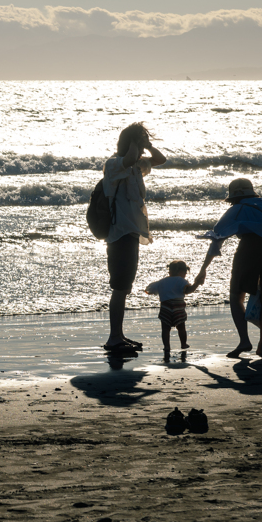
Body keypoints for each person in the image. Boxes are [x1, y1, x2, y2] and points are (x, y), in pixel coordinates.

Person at [200, 178, 262, 358]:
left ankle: (244, 340)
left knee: (236, 295)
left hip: (250, 249)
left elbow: (217, 237)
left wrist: (203, 270)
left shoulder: (236, 210)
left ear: (232, 198)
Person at [103, 122, 166, 352]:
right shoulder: (114, 165)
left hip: (131, 233)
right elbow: (128, 157)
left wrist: (147, 144)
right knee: (120, 287)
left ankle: (118, 335)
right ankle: (113, 338)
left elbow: (160, 159)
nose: (140, 152)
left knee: (124, 287)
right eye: (138, 146)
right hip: (119, 234)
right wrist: (133, 142)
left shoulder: (135, 167)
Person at [145, 260, 206, 354]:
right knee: (181, 327)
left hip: (165, 306)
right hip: (178, 307)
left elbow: (149, 290)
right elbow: (188, 291)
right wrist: (196, 284)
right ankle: (183, 343)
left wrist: (151, 291)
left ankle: (166, 346)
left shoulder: (162, 281)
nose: (185, 275)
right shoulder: (181, 280)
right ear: (181, 272)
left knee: (165, 329)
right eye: (185, 273)